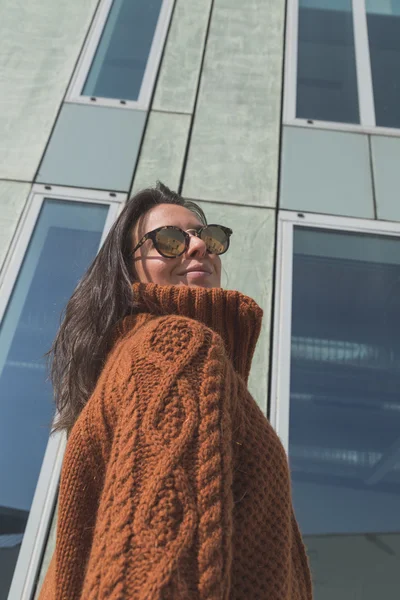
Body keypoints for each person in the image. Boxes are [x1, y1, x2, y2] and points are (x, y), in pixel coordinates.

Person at [39, 182, 312, 600]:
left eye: (208, 236)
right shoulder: (174, 347)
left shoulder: (135, 362)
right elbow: (152, 573)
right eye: (169, 241)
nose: (200, 247)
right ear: (128, 270)